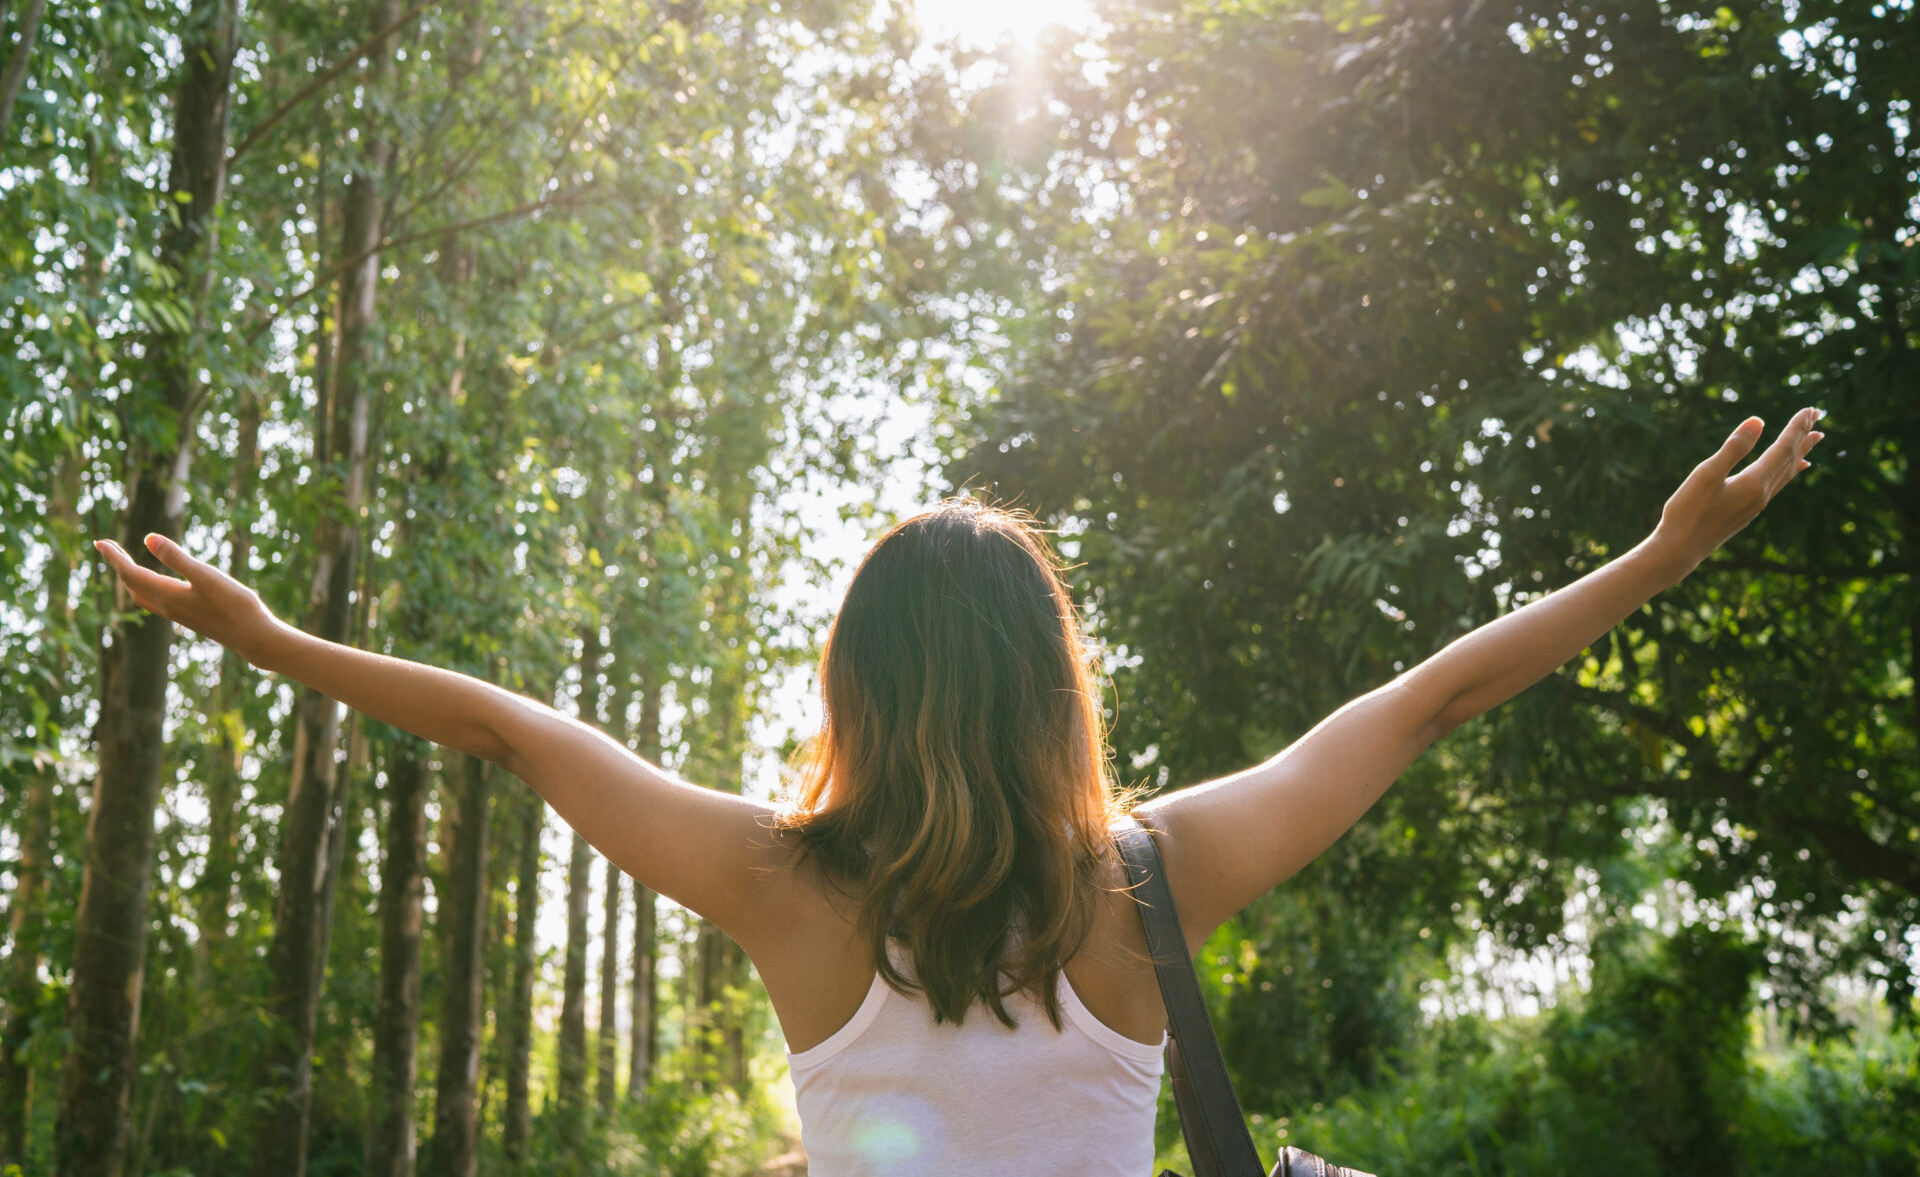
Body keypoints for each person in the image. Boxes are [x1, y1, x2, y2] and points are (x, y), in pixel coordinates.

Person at [96, 408, 1824, 1175]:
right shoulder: (1151, 879)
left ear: (855, 682)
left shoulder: (786, 886)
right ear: (1052, 680)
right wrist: (1660, 556)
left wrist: (269, 636)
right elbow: (1430, 700)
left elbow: (515, 733)